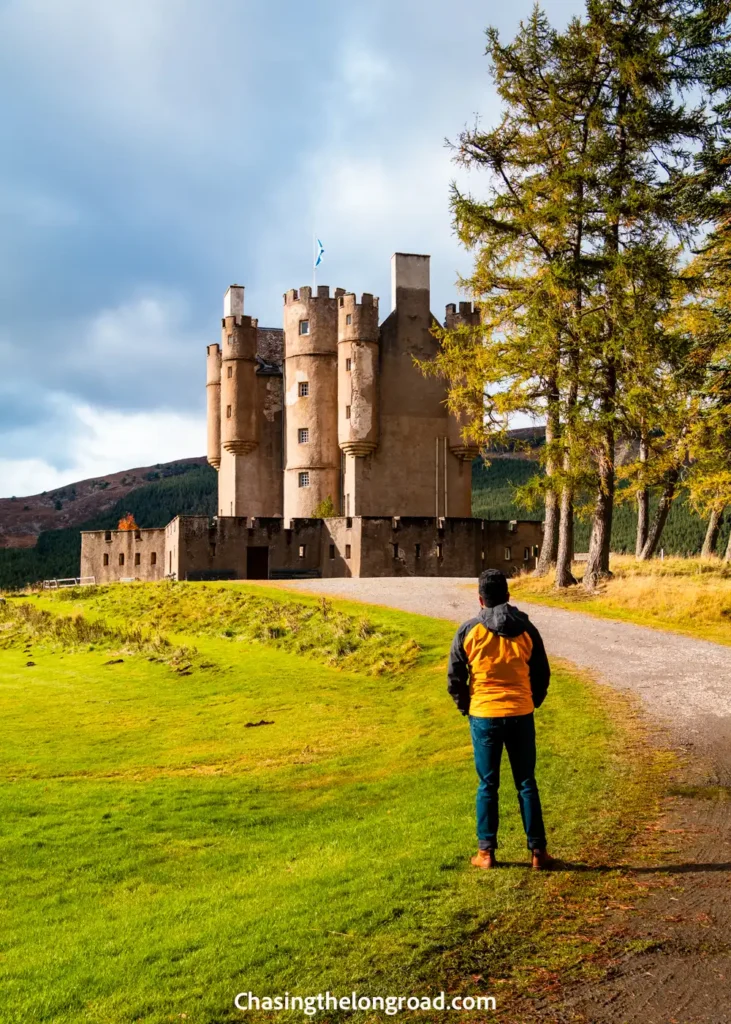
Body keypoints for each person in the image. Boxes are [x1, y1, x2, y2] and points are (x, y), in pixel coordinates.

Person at [447, 568, 554, 870]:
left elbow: (454, 678)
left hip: (484, 715)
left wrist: (467, 706)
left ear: (480, 599)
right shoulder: (526, 629)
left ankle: (486, 853)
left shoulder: (468, 631)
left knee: (487, 785)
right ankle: (538, 852)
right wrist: (532, 701)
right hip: (521, 712)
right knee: (526, 782)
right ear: (508, 596)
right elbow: (542, 674)